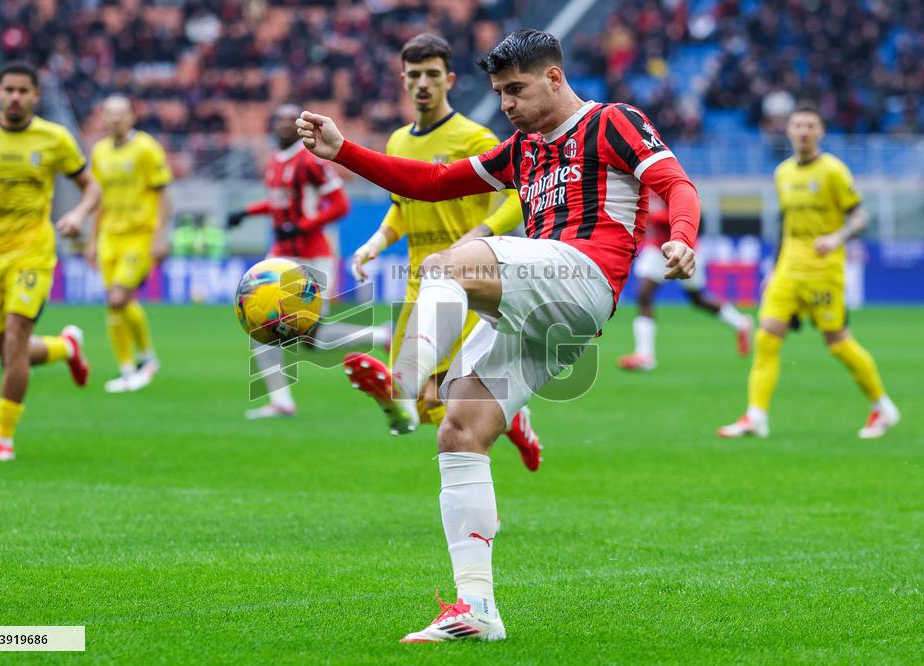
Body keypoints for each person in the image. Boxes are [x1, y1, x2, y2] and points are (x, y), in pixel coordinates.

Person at [297, 30, 699, 642]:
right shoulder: (522, 149)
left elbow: (677, 183)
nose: (506, 104)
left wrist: (684, 237)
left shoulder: (613, 121)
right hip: (545, 312)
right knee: (461, 432)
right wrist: (342, 150)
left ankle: (404, 382)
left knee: (449, 264)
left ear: (554, 78)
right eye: (500, 93)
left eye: (516, 90)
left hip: (585, 276)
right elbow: (428, 185)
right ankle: (477, 609)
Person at [343, 33, 543, 471]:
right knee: (420, 393)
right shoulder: (397, 142)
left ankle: (491, 438)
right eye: (414, 75)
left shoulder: (474, 138)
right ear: (403, 80)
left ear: (449, 79)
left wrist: (477, 235)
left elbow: (519, 193)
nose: (422, 84)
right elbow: (401, 206)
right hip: (418, 280)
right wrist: (374, 244)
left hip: (463, 283)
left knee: (443, 397)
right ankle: (513, 416)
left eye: (432, 74)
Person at [0, 61, 99, 461]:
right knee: (8, 355)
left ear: (35, 96)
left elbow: (90, 185)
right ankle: (65, 347)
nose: (15, 97)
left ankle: (2, 439)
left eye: (23, 91)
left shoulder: (55, 138)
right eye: (9, 89)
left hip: (32, 252)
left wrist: (78, 215)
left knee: (14, 339)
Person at [719, 102, 899, 439]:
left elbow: (860, 217)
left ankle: (883, 406)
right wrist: (773, 268)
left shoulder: (833, 170)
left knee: (838, 343)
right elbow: (784, 224)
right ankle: (756, 416)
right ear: (788, 130)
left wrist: (837, 237)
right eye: (797, 125)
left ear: (820, 132)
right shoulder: (782, 173)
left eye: (810, 126)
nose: (803, 131)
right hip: (788, 268)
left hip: (824, 270)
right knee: (766, 337)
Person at [226, 102, 388, 419]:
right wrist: (247, 212)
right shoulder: (274, 161)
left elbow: (340, 205)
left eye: (292, 119)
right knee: (259, 323)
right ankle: (280, 401)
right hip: (280, 255)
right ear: (272, 125)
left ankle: (383, 335)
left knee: (311, 336)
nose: (285, 124)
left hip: (312, 255)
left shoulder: (311, 162)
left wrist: (303, 225)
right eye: (280, 119)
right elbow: (279, 205)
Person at [86, 95, 172, 393]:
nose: (115, 119)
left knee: (118, 299)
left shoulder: (146, 148)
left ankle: (147, 358)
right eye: (109, 114)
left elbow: (162, 193)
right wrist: (91, 239)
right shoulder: (99, 152)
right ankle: (126, 369)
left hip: (139, 235)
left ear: (132, 117)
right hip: (109, 236)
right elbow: (97, 199)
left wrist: (160, 236)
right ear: (103, 118)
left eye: (121, 114)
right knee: (116, 305)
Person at [617, 193, 752, 371]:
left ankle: (741, 322)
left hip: (682, 250)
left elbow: (686, 210)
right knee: (644, 295)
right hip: (655, 249)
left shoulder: (669, 181)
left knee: (697, 299)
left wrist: (653, 215)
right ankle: (644, 355)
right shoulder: (643, 181)